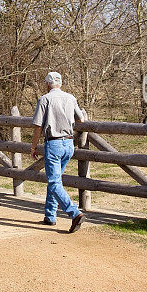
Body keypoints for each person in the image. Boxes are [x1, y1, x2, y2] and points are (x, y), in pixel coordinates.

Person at [30, 71, 85, 233]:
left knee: (54, 182)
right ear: (60, 83)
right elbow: (81, 118)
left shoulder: (44, 99)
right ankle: (50, 215)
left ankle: (74, 213)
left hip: (53, 144)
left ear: (47, 84)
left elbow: (38, 126)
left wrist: (33, 146)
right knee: (55, 180)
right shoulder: (71, 98)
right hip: (69, 143)